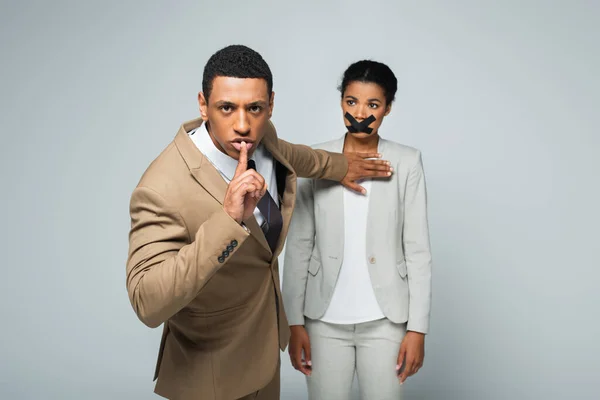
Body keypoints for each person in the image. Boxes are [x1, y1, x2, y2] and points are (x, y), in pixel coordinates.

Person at [125, 46, 393, 400]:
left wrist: (341, 166)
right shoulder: (161, 187)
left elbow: (294, 156)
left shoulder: (261, 137)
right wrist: (228, 220)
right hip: (210, 374)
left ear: (270, 105)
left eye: (255, 108)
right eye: (226, 108)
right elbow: (148, 302)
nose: (242, 124)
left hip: (265, 355)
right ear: (203, 105)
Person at [282, 60, 433, 399]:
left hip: (386, 320)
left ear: (388, 108)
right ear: (341, 102)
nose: (360, 112)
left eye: (373, 104)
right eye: (352, 101)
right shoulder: (316, 160)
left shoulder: (407, 162)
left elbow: (418, 250)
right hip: (322, 320)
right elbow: (299, 246)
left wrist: (417, 329)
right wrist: (294, 322)